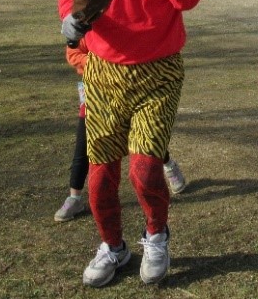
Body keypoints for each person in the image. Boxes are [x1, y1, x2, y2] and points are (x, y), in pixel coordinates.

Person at [57, 0, 207, 287]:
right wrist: (72, 27)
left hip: (157, 67)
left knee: (144, 167)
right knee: (101, 176)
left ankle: (156, 234)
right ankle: (113, 246)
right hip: (102, 67)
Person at [53, 39, 188, 223]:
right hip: (98, 96)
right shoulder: (88, 26)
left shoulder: (126, 28)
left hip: (134, 92)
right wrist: (100, 66)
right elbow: (73, 53)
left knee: (145, 141)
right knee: (84, 145)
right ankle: (74, 198)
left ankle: (168, 165)